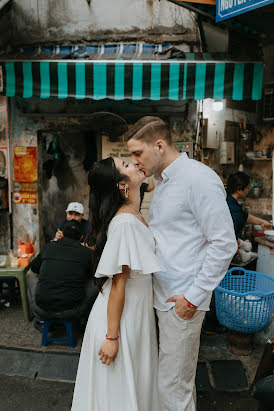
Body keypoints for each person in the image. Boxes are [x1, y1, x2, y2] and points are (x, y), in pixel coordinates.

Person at [125, 116, 238, 411]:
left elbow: (225, 243)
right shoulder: (162, 181)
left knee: (173, 389)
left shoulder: (198, 179)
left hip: (183, 300)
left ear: (159, 146)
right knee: (167, 383)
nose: (135, 162)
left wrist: (193, 297)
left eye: (138, 153)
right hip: (164, 296)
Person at [71, 157, 163, 411]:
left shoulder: (132, 213)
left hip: (134, 313)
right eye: (126, 164)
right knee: (119, 393)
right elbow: (118, 285)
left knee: (132, 385)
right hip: (120, 319)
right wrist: (112, 337)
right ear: (121, 185)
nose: (134, 162)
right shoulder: (124, 223)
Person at [27, 220, 96, 330]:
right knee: (96, 281)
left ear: (62, 234)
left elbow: (34, 268)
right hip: (73, 310)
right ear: (81, 237)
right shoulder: (85, 252)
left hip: (43, 310)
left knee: (30, 276)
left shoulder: (48, 247)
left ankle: (39, 319)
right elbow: (90, 274)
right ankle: (86, 320)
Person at [226, 172, 272, 244]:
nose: (248, 190)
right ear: (239, 189)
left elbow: (244, 216)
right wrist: (242, 244)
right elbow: (229, 237)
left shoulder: (228, 199)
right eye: (247, 188)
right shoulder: (234, 210)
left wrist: (263, 222)